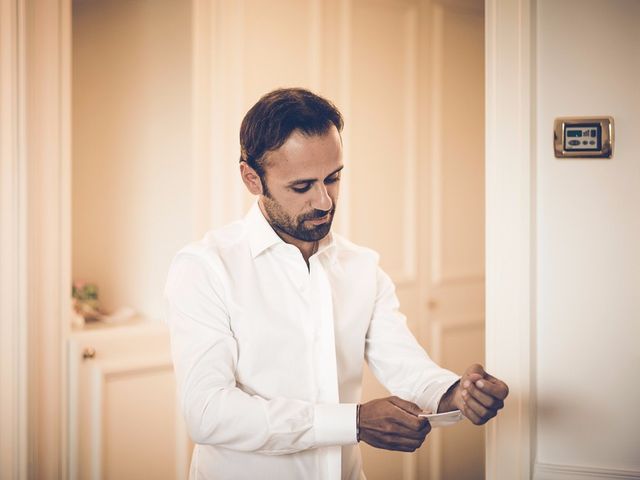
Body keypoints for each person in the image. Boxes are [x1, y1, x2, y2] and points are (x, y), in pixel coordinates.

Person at [164, 88, 509, 480]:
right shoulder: (205, 268)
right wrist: (354, 423)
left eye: (334, 178)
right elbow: (206, 412)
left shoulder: (362, 267)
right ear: (251, 178)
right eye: (302, 187)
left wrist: (456, 393)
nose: (325, 201)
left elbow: (406, 366)